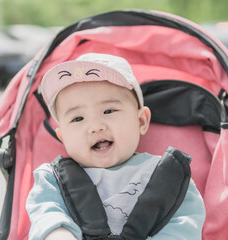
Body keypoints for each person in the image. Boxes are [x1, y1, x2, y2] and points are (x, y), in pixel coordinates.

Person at [26, 53, 206, 240]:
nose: (96, 127)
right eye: (78, 118)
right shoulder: (52, 180)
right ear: (63, 138)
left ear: (141, 121)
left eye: (108, 111)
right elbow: (47, 217)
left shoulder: (168, 177)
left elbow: (183, 228)